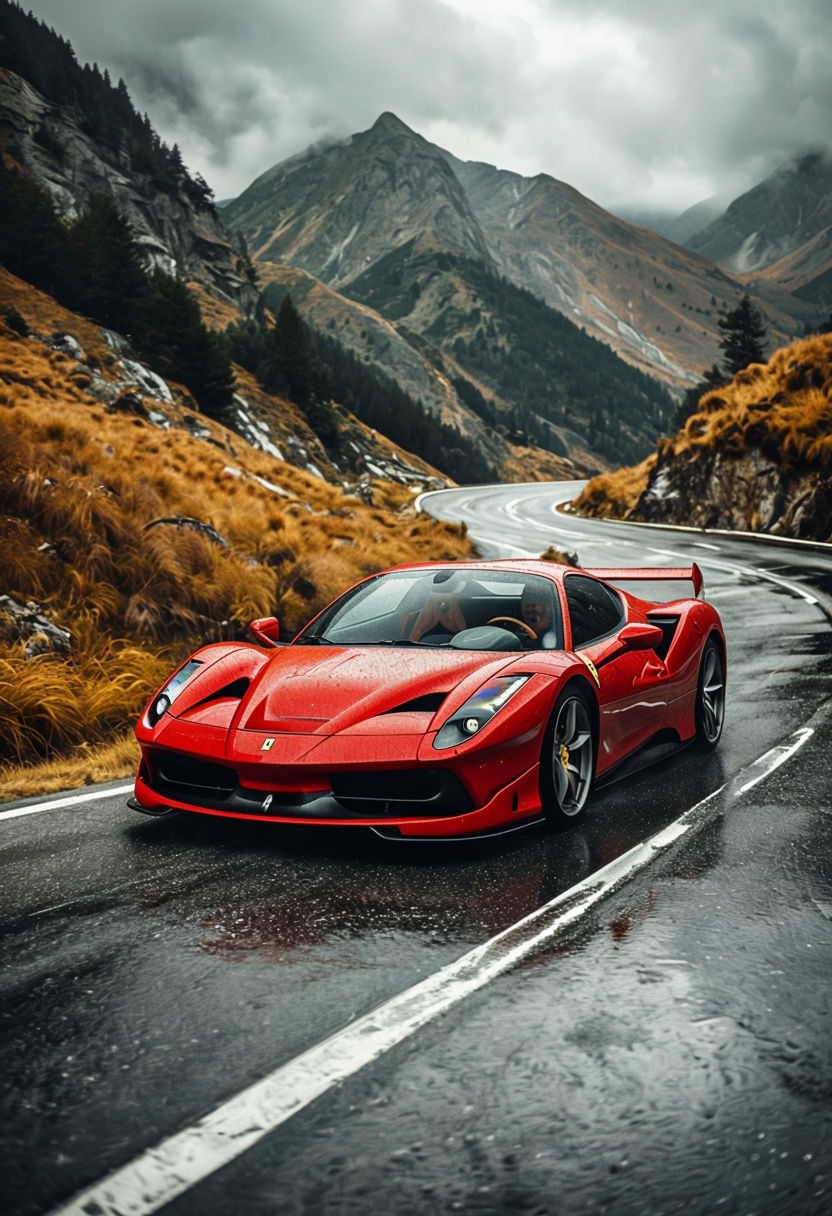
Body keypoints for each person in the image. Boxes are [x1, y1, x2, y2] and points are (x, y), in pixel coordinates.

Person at [520, 581, 559, 649]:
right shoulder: (514, 629)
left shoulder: (555, 637)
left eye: (538, 599)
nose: (531, 605)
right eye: (527, 598)